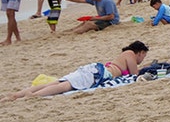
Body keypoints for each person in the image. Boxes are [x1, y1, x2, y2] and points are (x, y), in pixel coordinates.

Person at [8, 41, 150, 100]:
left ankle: (15, 95)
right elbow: (134, 74)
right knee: (65, 86)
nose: (143, 58)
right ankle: (32, 96)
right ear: (140, 52)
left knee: (58, 82)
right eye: (144, 55)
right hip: (98, 73)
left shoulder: (123, 55)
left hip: (95, 70)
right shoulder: (130, 54)